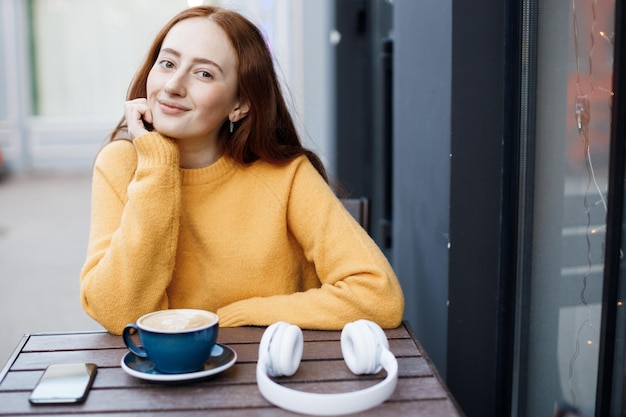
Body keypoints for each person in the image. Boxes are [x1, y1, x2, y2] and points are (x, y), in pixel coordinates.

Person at [80, 5, 404, 335]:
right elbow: (118, 312)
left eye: (203, 73)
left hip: (271, 371)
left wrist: (241, 315)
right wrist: (157, 165)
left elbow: (378, 296)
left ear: (240, 104)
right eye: (167, 63)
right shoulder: (120, 164)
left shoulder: (287, 175)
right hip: (159, 375)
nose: (173, 86)